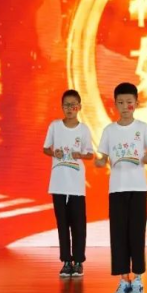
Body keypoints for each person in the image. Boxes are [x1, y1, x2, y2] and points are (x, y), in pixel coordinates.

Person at [95, 82, 147, 293]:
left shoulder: (143, 128)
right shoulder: (109, 130)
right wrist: (99, 162)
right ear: (115, 105)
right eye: (120, 103)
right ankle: (124, 280)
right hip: (117, 189)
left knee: (136, 234)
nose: (125, 107)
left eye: (129, 102)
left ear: (136, 104)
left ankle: (138, 279)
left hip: (138, 188)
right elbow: (102, 158)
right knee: (119, 235)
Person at [43, 89, 94, 278]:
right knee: (62, 224)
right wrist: (53, 152)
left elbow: (90, 154)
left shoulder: (84, 129)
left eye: (73, 105)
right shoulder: (55, 126)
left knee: (78, 224)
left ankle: (78, 262)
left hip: (76, 184)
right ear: (62, 107)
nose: (70, 108)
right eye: (66, 105)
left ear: (79, 107)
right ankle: (66, 262)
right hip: (58, 183)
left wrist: (80, 155)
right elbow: (45, 148)